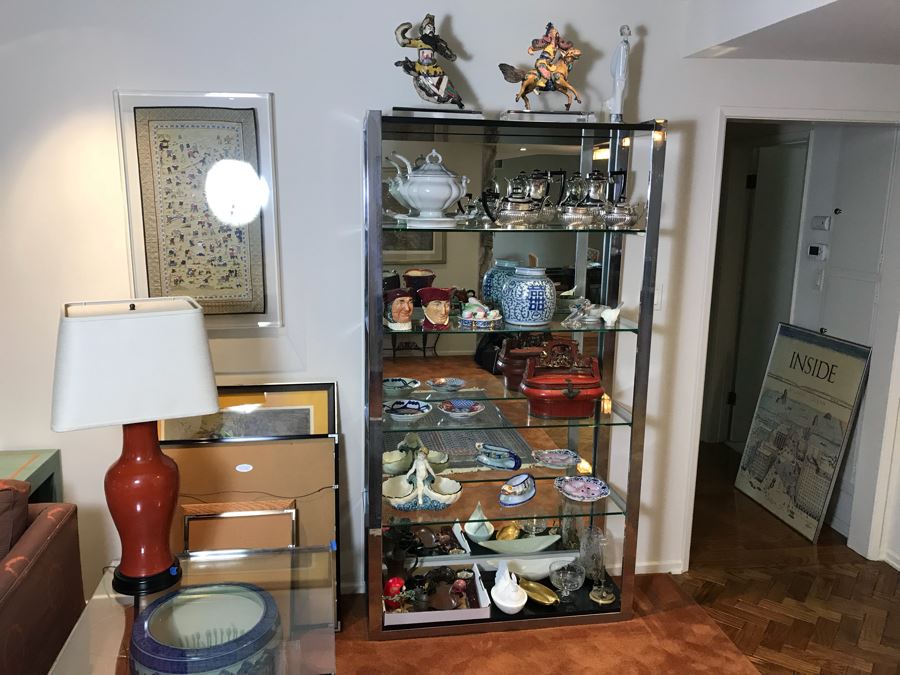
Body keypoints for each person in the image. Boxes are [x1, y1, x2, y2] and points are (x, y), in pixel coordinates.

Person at [607, 25, 631, 122]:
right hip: (620, 76)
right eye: (626, 29)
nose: (628, 31)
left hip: (621, 75)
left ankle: (617, 114)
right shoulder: (623, 45)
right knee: (619, 94)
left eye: (628, 29)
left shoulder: (626, 44)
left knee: (621, 95)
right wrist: (620, 76)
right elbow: (620, 62)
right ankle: (616, 115)